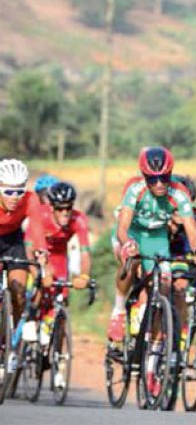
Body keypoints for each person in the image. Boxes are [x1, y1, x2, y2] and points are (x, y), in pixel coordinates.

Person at [108, 147, 196, 346]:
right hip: (133, 233)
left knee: (164, 285)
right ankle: (119, 310)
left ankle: (153, 348)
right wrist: (127, 243)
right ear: (144, 176)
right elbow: (123, 226)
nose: (159, 184)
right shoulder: (135, 188)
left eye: (164, 177)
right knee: (132, 261)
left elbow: (191, 228)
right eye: (152, 179)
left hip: (157, 237)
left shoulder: (179, 192)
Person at [28, 182, 91, 390]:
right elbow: (30, 249)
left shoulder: (78, 219)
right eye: (60, 208)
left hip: (59, 258)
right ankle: (30, 319)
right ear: (52, 207)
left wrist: (84, 275)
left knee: (61, 301)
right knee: (37, 290)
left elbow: (84, 251)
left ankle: (58, 361)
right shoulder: (41, 216)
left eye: (68, 207)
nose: (65, 213)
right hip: (39, 254)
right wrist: (39, 273)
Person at [0, 159, 48, 339]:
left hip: (13, 241)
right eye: (8, 191)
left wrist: (42, 251)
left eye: (19, 191)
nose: (15, 197)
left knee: (19, 292)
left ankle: (11, 340)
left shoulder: (30, 199)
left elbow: (37, 229)